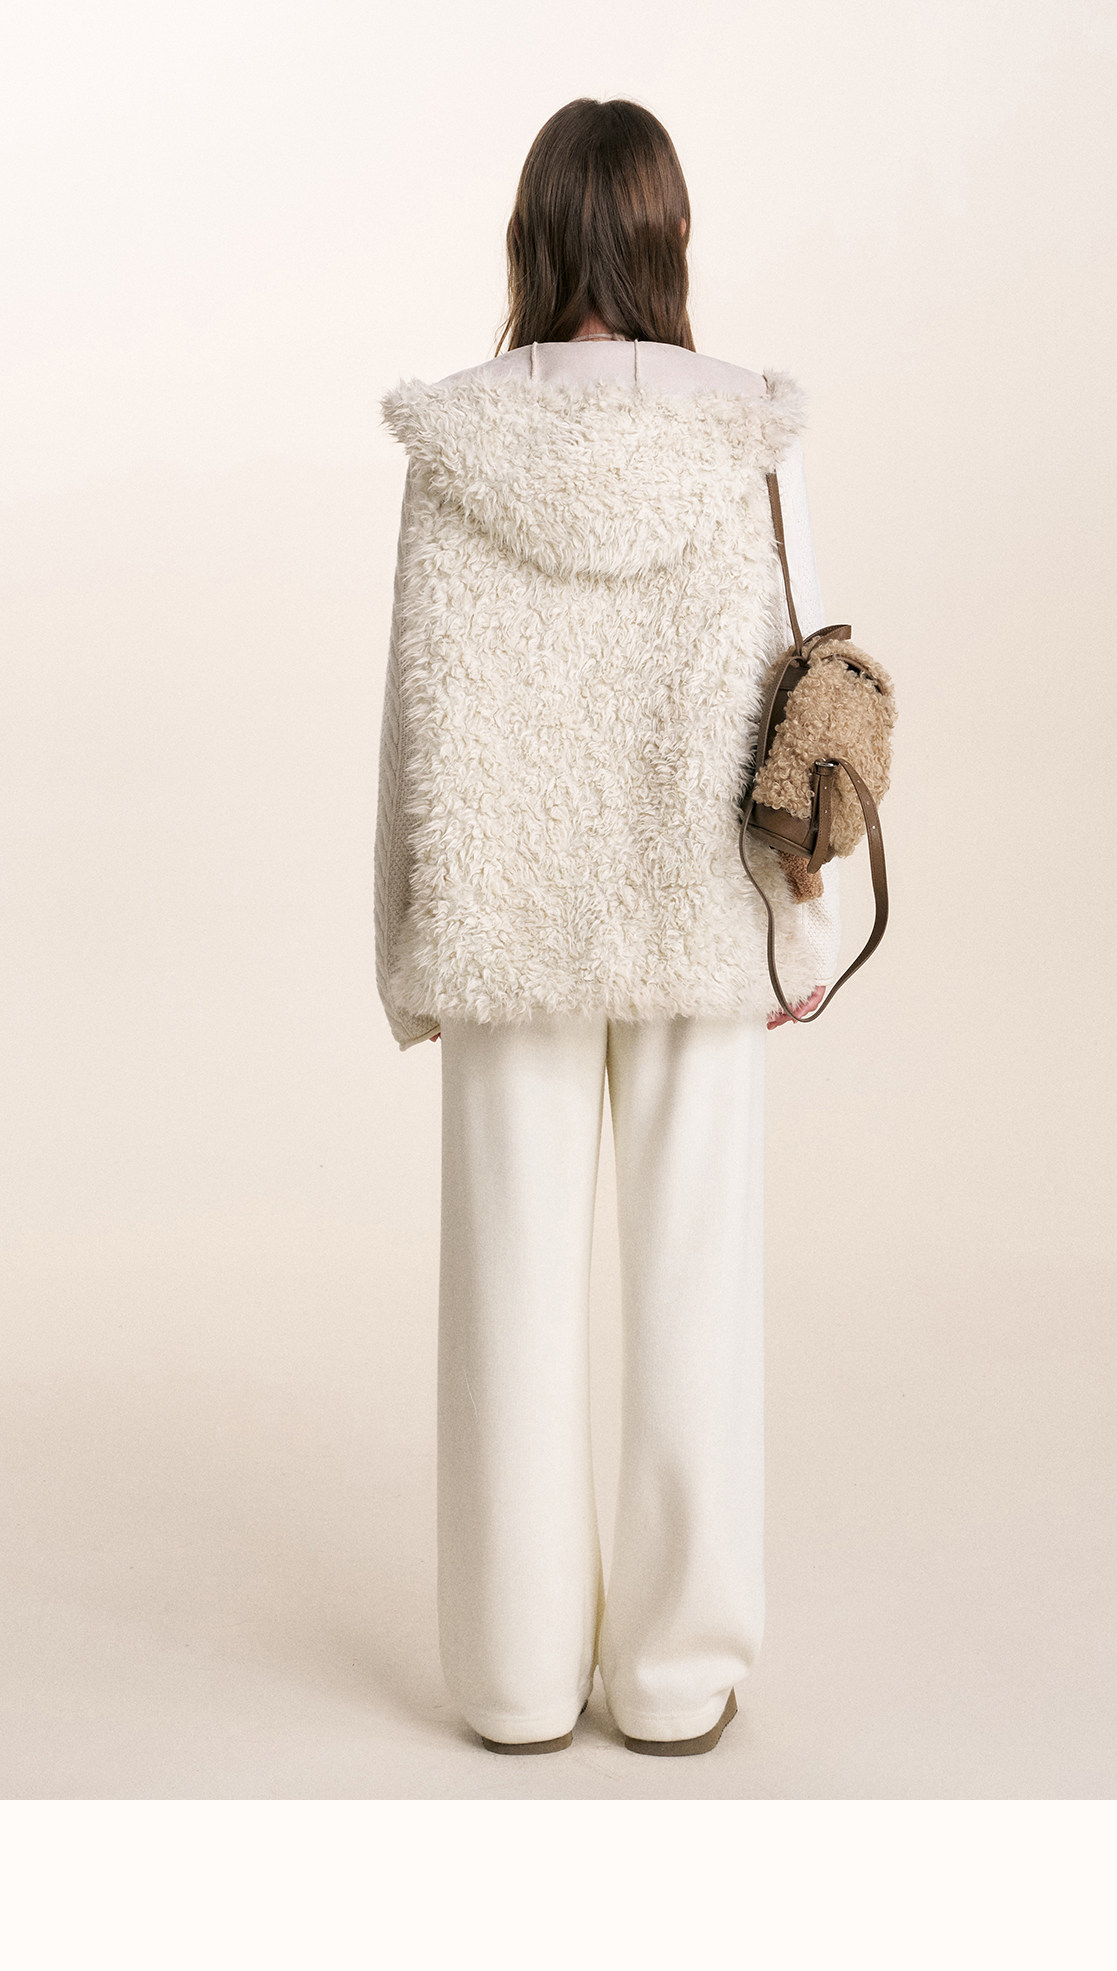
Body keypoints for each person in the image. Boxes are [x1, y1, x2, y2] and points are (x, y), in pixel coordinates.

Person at [374, 98, 841, 1756]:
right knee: (694, 1288)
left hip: (505, 919)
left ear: (529, 238)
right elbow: (799, 689)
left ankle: (512, 1680)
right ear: (667, 240)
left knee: (508, 1296)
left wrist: (407, 950)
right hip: (701, 915)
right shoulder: (744, 430)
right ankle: (674, 1676)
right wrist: (798, 943)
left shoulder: (455, 439)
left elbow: (413, 714)